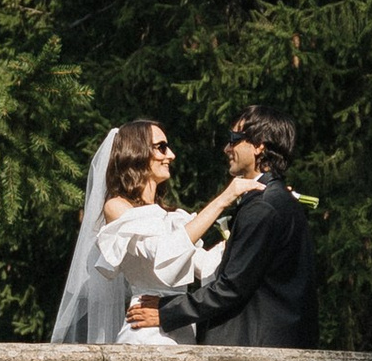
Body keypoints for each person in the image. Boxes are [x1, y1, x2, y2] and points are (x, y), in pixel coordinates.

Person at [47, 120, 261, 345]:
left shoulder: (173, 217)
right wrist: (223, 199)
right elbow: (163, 254)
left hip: (179, 324)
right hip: (146, 331)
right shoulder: (117, 207)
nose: (171, 155)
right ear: (136, 151)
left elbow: (206, 266)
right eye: (162, 147)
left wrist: (248, 227)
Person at [174, 108, 318, 347]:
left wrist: (166, 311)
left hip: (257, 345)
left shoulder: (264, 207)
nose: (226, 149)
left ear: (259, 145)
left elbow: (232, 287)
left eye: (234, 139)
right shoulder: (276, 199)